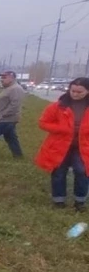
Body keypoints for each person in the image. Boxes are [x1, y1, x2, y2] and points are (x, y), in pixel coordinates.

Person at [35, 77, 89, 212]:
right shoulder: (58, 106)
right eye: (73, 91)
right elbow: (43, 122)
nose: (75, 94)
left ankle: (80, 201)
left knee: (82, 171)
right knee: (59, 171)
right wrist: (62, 129)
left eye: (79, 92)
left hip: (83, 146)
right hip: (59, 146)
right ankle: (58, 200)